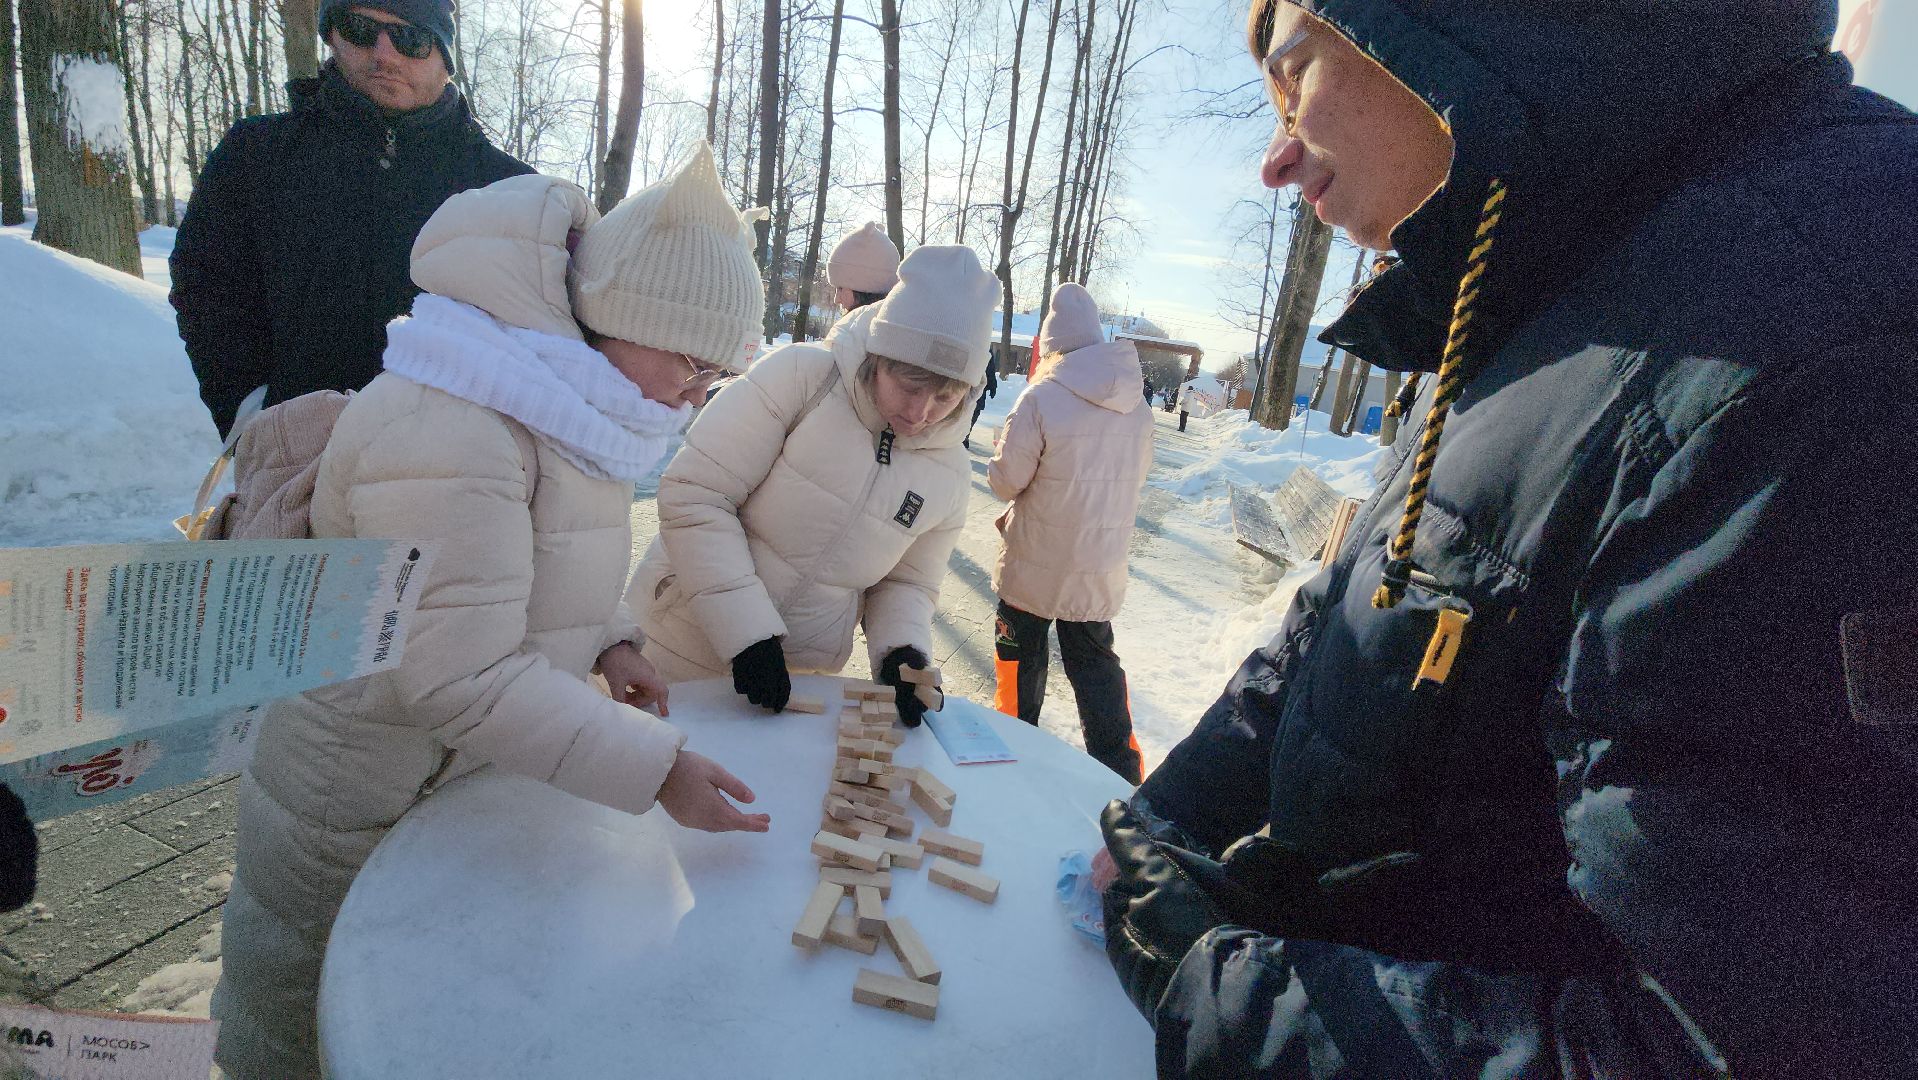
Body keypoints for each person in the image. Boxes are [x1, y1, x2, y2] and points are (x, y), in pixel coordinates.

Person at [1097, 1, 1917, 1076]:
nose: (1277, 158)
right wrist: (1166, 826)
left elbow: (1728, 1045)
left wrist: (1216, 984)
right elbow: (1337, 628)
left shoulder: (1830, 325)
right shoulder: (1550, 291)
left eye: (1295, 71)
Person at [211, 145, 771, 1080]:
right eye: (690, 360)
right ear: (628, 316)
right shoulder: (454, 422)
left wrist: (609, 639)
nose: (694, 393)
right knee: (312, 1021)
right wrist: (657, 768)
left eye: (716, 378)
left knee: (408, 1011)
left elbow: (528, 569)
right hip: (357, 792)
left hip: (442, 777)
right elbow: (455, 673)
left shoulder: (568, 405)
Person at [627, 245, 1001, 725]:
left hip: (796, 679)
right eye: (908, 386)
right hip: (677, 645)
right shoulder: (802, 378)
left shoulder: (947, 471)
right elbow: (695, 494)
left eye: (945, 397)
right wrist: (746, 631)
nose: (920, 412)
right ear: (878, 358)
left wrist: (901, 653)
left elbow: (908, 580)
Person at [170, 0, 531, 438]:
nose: (384, 54)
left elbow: (544, 330)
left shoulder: (510, 187)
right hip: (297, 451)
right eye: (361, 29)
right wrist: (249, 411)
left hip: (464, 463)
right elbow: (207, 285)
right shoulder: (256, 154)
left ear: (444, 58)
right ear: (333, 36)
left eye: (410, 38)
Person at [987, 283, 1154, 783]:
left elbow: (1004, 481)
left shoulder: (1041, 397)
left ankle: (1010, 754)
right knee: (1096, 665)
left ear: (1051, 343)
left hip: (1036, 558)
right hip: (1099, 562)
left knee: (1021, 656)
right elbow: (1139, 475)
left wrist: (1002, 449)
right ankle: (1120, 772)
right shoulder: (1137, 404)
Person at [827, 220, 900, 314]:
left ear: (861, 291)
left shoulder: (849, 327)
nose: (836, 300)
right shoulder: (894, 320)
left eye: (840, 288)